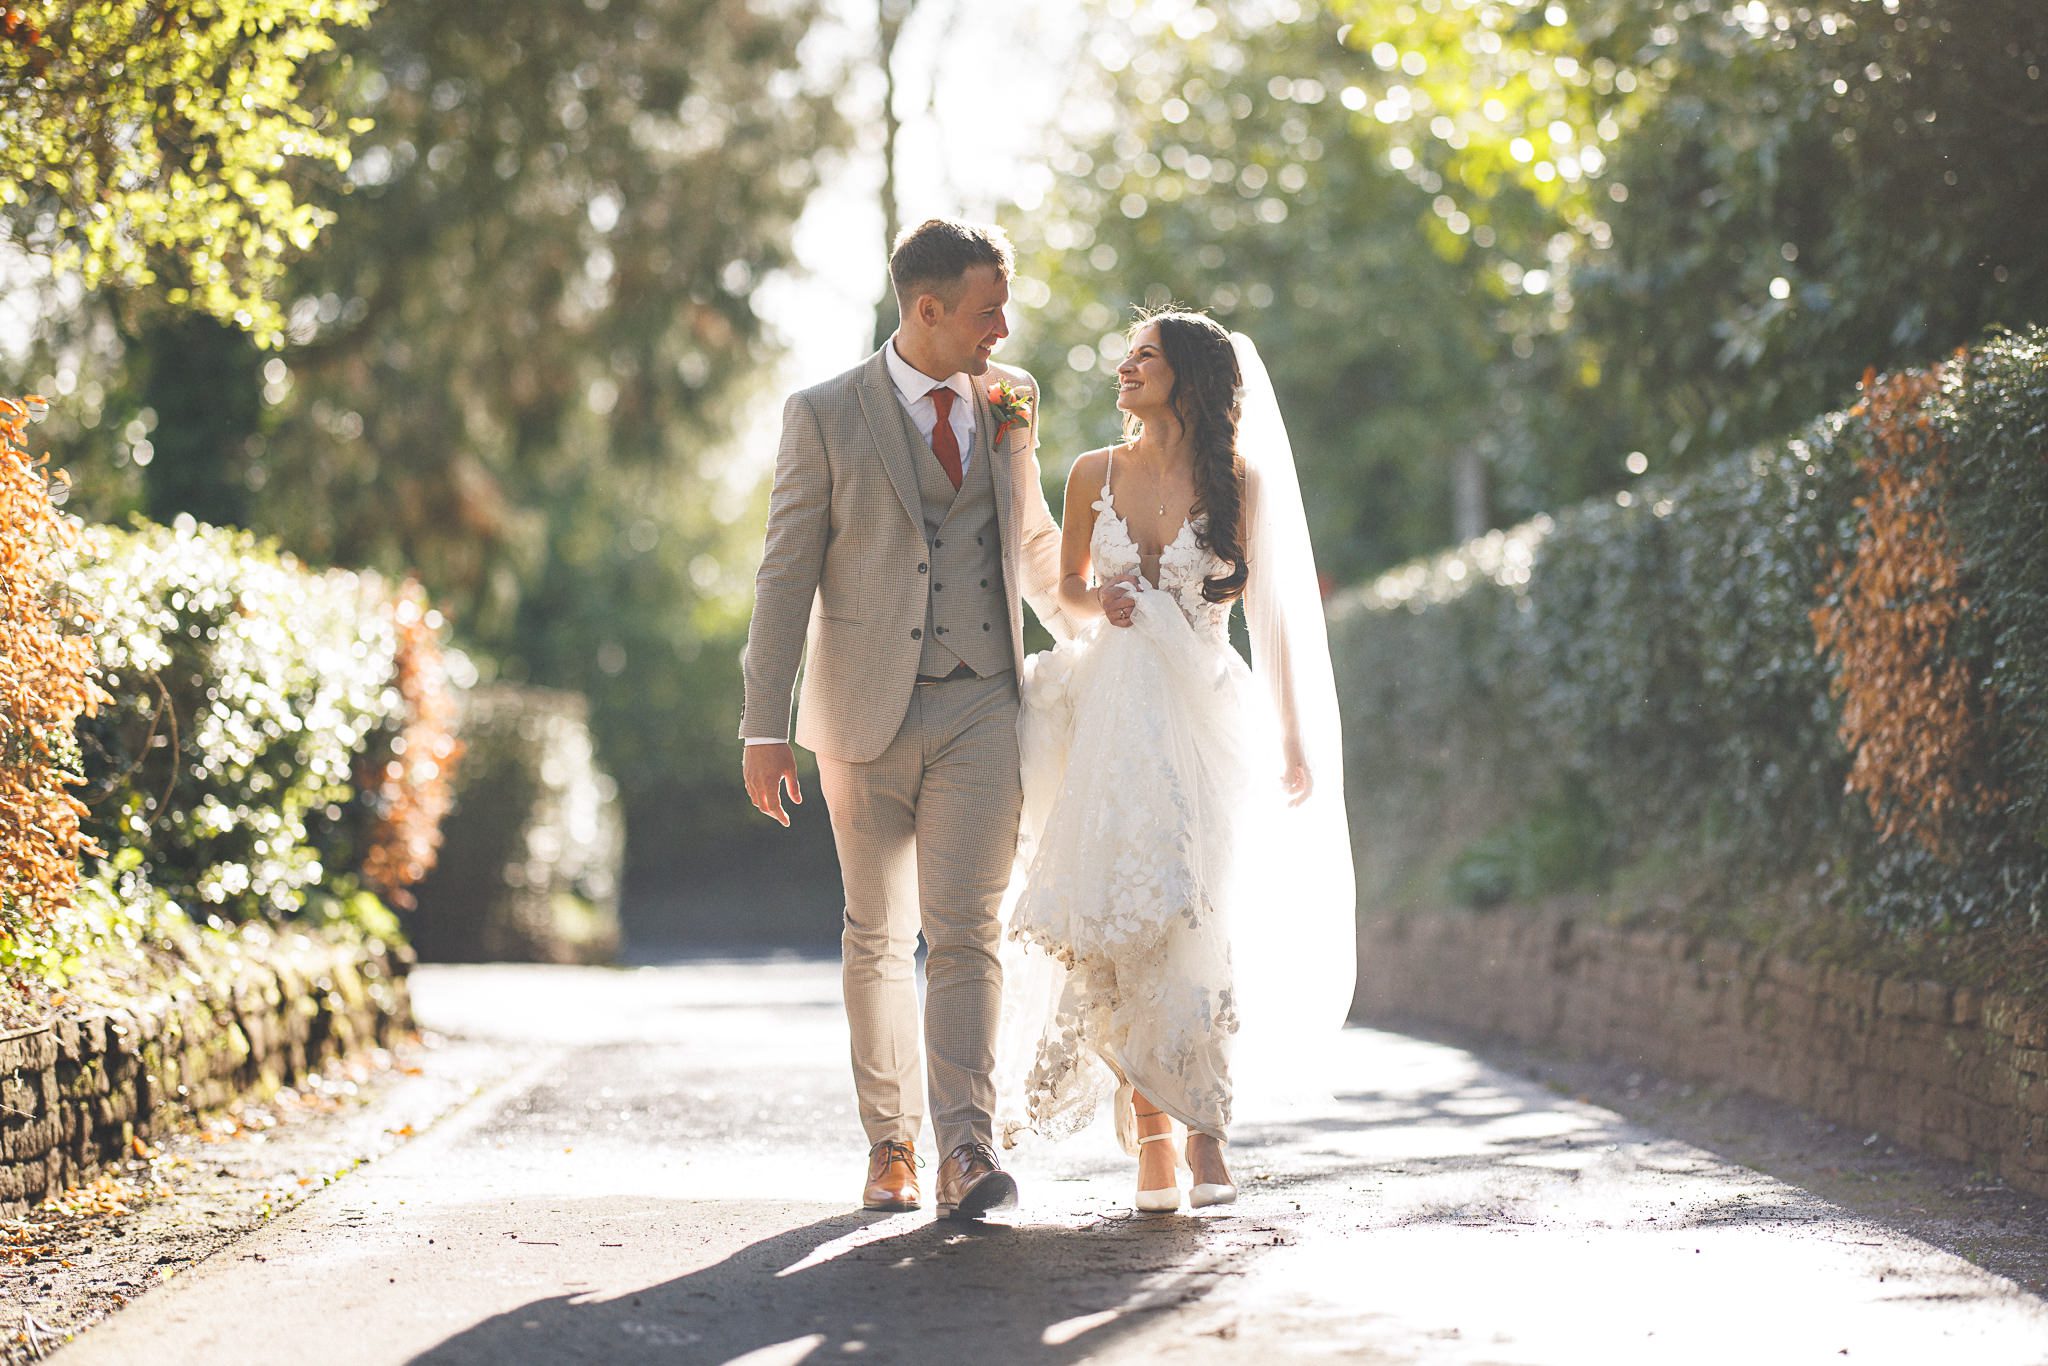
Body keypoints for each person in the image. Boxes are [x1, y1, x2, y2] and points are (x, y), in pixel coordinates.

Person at [739, 218, 1070, 1219]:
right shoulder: (824, 412)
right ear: (926, 311)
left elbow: (1032, 538)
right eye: (985, 310)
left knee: (968, 932)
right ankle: (889, 1143)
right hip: (858, 712)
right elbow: (784, 569)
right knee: (875, 933)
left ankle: (964, 1149)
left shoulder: (1009, 401)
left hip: (980, 703)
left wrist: (1105, 626)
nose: (1001, 328)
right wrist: (763, 721)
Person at [997, 309, 1356, 1212]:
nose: (1125, 364)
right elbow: (1069, 592)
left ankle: (1209, 1135)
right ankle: (1151, 1138)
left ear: (1187, 375)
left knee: (1199, 913)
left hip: (1206, 720)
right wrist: (1101, 597)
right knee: (1120, 924)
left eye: (1144, 355)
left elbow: (1272, 616)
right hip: (1112, 718)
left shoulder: (1242, 482)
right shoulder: (1090, 473)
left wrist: (1293, 739)